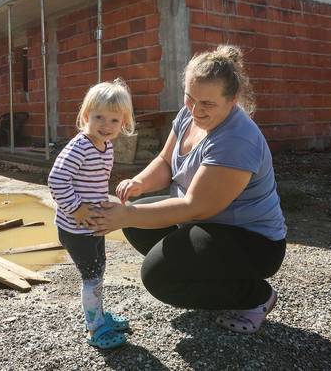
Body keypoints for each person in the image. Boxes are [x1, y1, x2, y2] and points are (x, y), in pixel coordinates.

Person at [90, 45, 286, 334]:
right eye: (190, 98)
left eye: (207, 103)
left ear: (232, 100)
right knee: (138, 220)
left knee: (158, 276)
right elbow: (165, 161)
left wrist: (125, 215)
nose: (195, 109)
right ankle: (208, 277)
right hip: (206, 223)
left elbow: (196, 206)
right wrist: (139, 183)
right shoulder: (188, 115)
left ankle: (255, 296)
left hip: (252, 242)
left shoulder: (236, 140)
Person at [46, 79, 136, 349]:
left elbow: (93, 182)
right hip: (76, 229)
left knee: (98, 270)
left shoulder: (106, 146)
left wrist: (103, 203)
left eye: (114, 120)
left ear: (123, 122)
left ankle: (99, 315)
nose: (106, 125)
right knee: (92, 277)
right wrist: (75, 208)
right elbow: (57, 180)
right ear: (86, 115)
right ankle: (95, 328)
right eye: (99, 117)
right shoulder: (81, 146)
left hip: (93, 225)